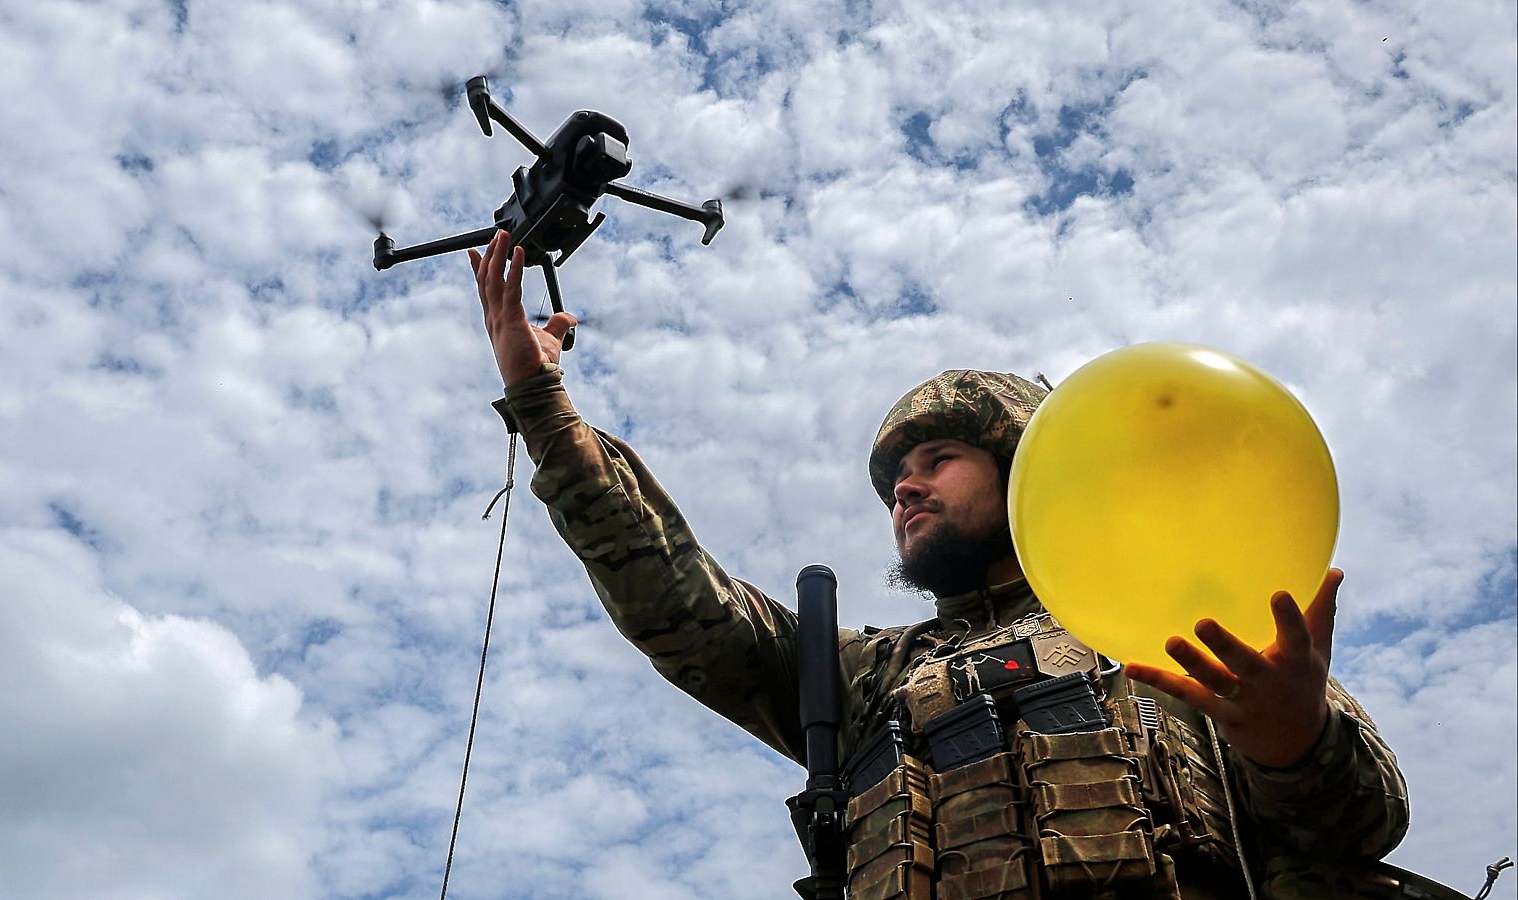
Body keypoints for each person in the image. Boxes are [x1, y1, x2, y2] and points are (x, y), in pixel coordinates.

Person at [469, 230, 1410, 899]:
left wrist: (1294, 738)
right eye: (893, 482)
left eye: (938, 460)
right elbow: (677, 602)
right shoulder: (865, 676)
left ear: (1028, 474)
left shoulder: (1171, 626)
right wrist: (543, 405)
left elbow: (1363, 825)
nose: (906, 491)